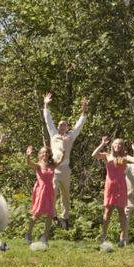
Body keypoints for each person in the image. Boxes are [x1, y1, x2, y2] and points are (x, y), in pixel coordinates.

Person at [42, 92, 88, 229]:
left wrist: (84, 113)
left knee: (66, 195)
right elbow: (48, 120)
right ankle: (54, 215)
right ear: (58, 126)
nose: (62, 126)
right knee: (53, 192)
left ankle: (65, 217)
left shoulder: (70, 136)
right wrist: (45, 104)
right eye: (61, 124)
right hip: (54, 168)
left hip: (66, 169)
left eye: (65, 125)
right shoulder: (54, 134)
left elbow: (79, 126)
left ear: (67, 127)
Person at [92, 137, 134, 246]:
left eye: (120, 144)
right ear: (112, 145)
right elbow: (94, 154)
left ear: (122, 146)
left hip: (121, 186)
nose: (118, 146)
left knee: (122, 212)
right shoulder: (107, 156)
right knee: (107, 212)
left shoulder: (125, 157)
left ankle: (123, 238)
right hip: (110, 186)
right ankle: (103, 237)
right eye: (116, 144)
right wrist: (102, 144)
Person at [25, 145, 65, 244]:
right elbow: (28, 163)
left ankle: (45, 237)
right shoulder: (38, 165)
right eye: (43, 152)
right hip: (40, 191)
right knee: (37, 214)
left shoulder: (52, 165)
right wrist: (28, 155)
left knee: (50, 214)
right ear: (39, 154)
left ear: (49, 154)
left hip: (50, 190)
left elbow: (61, 160)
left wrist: (63, 152)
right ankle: (28, 233)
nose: (45, 154)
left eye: (46, 152)